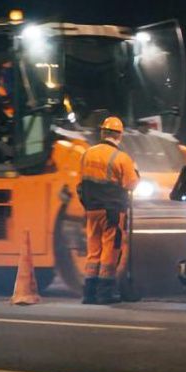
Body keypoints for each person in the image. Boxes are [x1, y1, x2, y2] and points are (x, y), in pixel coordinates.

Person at [77, 116, 140, 305]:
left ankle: (89, 293)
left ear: (102, 133)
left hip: (91, 209)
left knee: (93, 250)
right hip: (112, 211)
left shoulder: (86, 154)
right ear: (119, 135)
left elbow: (81, 184)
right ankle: (105, 293)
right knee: (110, 250)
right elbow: (131, 184)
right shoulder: (121, 157)